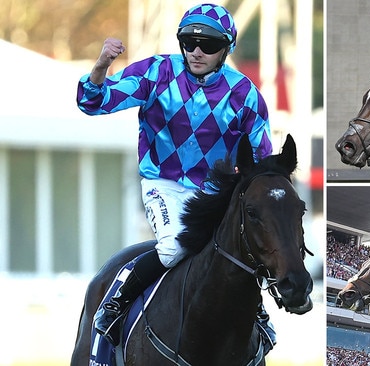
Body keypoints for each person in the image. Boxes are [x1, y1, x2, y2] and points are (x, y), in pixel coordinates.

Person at [76, 3, 275, 351]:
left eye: (208, 44)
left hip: (215, 192)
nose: (197, 51)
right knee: (175, 246)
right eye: (189, 41)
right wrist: (101, 66)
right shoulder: (157, 72)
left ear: (226, 48)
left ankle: (256, 313)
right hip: (163, 185)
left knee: (239, 247)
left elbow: (262, 160)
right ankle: (114, 304)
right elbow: (93, 102)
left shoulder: (245, 95)